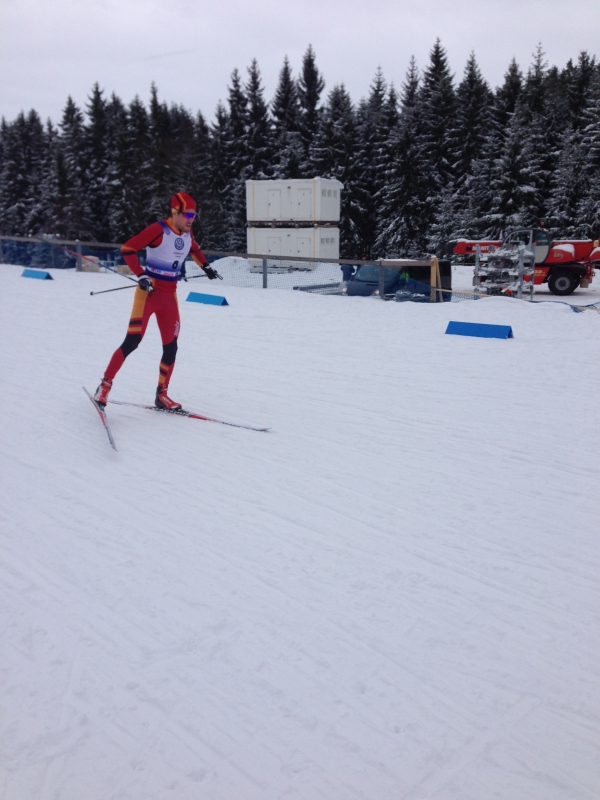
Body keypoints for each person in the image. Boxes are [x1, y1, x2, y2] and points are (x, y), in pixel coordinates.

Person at [93, 192, 218, 411]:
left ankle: (162, 395)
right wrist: (141, 275)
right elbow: (127, 249)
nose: (191, 219)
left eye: (194, 215)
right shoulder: (158, 230)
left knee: (171, 347)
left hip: (170, 297)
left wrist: (206, 266)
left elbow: (195, 249)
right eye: (187, 214)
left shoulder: (187, 233)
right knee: (132, 341)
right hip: (148, 295)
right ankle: (104, 385)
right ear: (175, 212)